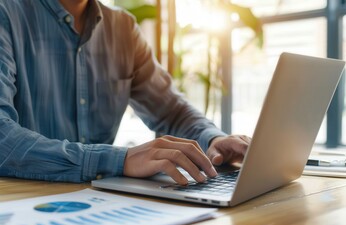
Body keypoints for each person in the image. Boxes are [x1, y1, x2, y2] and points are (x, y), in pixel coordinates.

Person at [0, 0, 250, 185]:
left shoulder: (123, 28)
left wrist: (213, 140)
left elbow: (172, 112)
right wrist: (119, 160)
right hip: (24, 206)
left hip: (102, 203)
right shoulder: (6, 14)